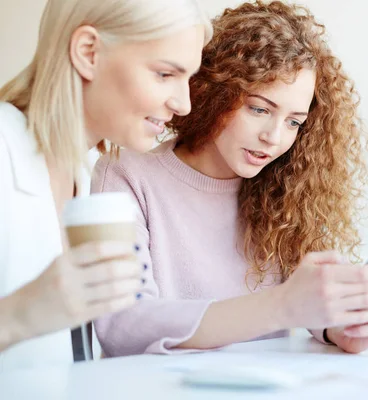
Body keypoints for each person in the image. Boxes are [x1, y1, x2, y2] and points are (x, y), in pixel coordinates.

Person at [92, 0, 368, 357]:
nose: (274, 137)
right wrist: (282, 305)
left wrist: (342, 325)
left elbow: (307, 304)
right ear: (214, 92)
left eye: (294, 121)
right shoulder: (127, 174)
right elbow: (122, 325)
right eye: (260, 109)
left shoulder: (285, 187)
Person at [0, 0, 212, 372]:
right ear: (88, 53)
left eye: (187, 80)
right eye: (165, 74)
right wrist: (20, 315)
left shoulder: (82, 174)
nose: (184, 104)